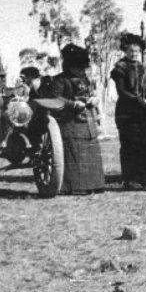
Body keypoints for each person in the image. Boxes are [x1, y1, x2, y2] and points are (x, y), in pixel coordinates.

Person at [51, 44, 105, 194]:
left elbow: (91, 93)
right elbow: (56, 98)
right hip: (70, 122)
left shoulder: (85, 78)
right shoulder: (59, 80)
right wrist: (73, 104)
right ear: (70, 66)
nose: (81, 70)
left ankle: (94, 184)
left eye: (82, 68)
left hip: (87, 121)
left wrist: (94, 99)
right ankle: (75, 187)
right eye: (78, 68)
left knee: (91, 152)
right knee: (74, 153)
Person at [110, 32, 146, 189]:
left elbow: (144, 89)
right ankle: (128, 180)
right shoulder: (120, 67)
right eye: (131, 51)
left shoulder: (142, 67)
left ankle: (142, 178)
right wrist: (139, 100)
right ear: (125, 50)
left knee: (142, 145)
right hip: (126, 112)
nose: (134, 54)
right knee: (128, 145)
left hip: (141, 112)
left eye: (137, 51)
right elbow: (122, 92)